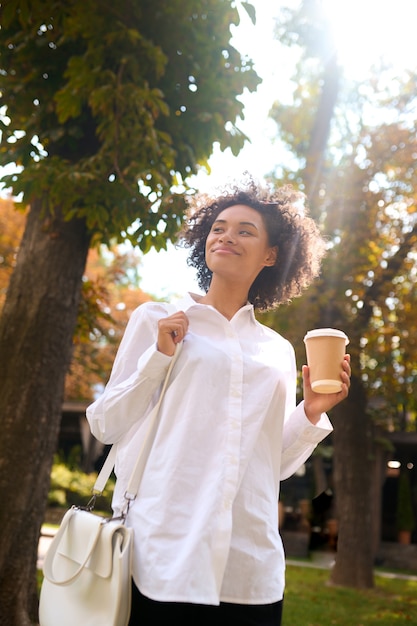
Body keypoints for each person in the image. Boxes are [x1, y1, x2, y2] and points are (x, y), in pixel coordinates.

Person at [86, 176, 351, 626]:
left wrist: (310, 413)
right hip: (163, 553)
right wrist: (158, 358)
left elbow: (273, 463)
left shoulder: (277, 351)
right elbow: (106, 425)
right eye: (219, 227)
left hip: (250, 565)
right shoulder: (158, 320)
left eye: (245, 230)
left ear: (271, 255)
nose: (227, 235)